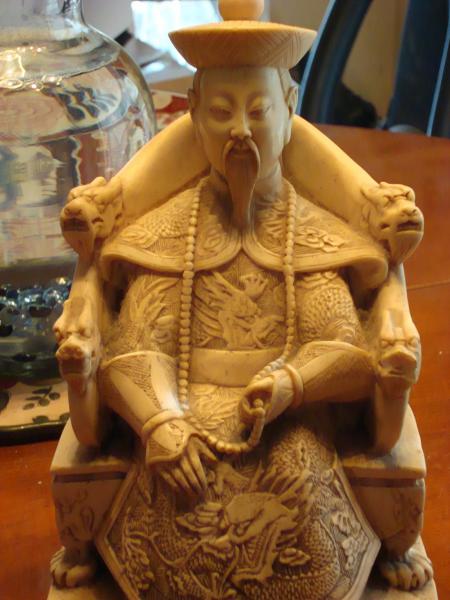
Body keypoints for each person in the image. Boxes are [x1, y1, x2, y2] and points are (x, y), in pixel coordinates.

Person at [50, 2, 433, 598]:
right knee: (174, 502)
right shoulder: (163, 235)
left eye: (259, 111)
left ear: (290, 110)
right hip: (178, 424)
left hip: (290, 423)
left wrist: (293, 383)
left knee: (298, 489)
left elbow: (346, 349)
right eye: (222, 112)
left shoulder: (317, 238)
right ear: (193, 114)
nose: (241, 132)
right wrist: (159, 422)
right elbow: (134, 346)